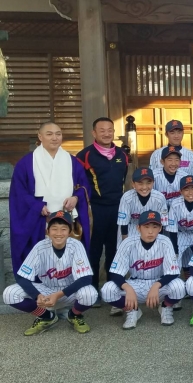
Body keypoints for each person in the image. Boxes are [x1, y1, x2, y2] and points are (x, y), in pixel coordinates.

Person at [9, 121, 91, 273]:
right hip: (39, 220)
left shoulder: (72, 161)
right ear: (40, 137)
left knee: (68, 259)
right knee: (39, 259)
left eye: (58, 134)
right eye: (49, 134)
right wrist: (37, 206)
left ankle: (68, 284)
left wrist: (76, 198)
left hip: (66, 218)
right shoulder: (26, 163)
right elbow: (19, 192)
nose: (55, 138)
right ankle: (38, 285)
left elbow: (84, 186)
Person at [3, 211, 97, 335]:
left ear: (69, 231)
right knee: (9, 294)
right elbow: (22, 277)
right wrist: (37, 295)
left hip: (69, 292)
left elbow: (86, 278)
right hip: (46, 291)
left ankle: (74, 315)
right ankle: (47, 316)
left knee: (90, 294)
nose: (59, 233)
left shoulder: (76, 245)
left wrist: (58, 295)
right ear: (47, 231)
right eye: (54, 229)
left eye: (63, 229)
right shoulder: (40, 247)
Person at [101, 210, 186, 329]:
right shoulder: (128, 243)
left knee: (180, 286)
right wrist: (127, 288)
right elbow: (115, 273)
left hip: (159, 284)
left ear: (160, 228)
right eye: (146, 227)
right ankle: (132, 310)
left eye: (154, 227)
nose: (150, 231)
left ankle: (166, 307)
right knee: (107, 290)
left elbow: (173, 273)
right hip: (135, 284)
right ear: (138, 228)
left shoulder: (165, 242)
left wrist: (156, 285)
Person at [76, 117, 128, 296]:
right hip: (96, 209)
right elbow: (78, 182)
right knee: (94, 250)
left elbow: (123, 178)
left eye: (110, 130)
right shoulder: (84, 155)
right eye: (102, 130)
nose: (106, 134)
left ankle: (112, 288)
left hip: (118, 208)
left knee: (114, 249)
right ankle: (92, 289)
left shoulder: (122, 154)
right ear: (94, 133)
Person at [117, 167, 168, 246]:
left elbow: (162, 224)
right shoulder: (127, 197)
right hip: (131, 228)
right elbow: (123, 223)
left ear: (153, 183)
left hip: (151, 229)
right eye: (140, 183)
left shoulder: (160, 198)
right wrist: (125, 244)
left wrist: (157, 243)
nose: (144, 187)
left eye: (148, 183)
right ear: (133, 184)